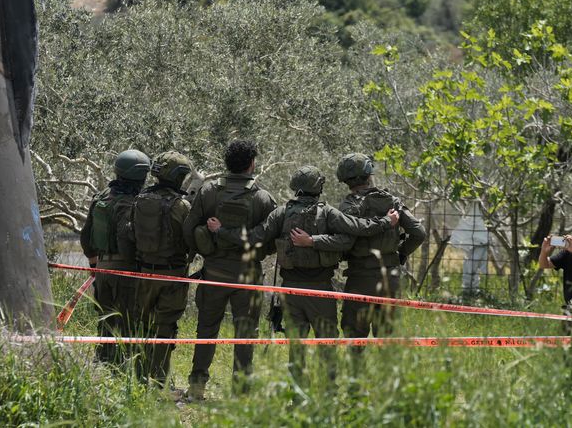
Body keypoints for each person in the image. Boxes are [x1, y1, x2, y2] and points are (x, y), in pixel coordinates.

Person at [209, 165, 399, 383]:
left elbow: (252, 237)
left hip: (291, 291)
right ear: (318, 187)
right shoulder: (327, 212)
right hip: (321, 292)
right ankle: (328, 397)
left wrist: (221, 231)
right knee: (327, 346)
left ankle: (297, 399)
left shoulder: (281, 213)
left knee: (296, 349)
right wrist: (387, 222)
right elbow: (357, 229)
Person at [183, 140, 276, 400]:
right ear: (251, 164)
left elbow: (189, 229)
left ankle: (196, 389)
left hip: (213, 273)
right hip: (249, 274)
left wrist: (207, 251)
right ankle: (242, 395)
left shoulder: (208, 191)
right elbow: (270, 239)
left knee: (206, 330)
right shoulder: (263, 197)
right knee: (246, 333)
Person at [333, 153, 425, 356]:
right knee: (388, 339)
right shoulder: (392, 202)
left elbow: (342, 241)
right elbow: (418, 233)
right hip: (389, 278)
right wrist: (401, 253)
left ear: (345, 179)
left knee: (354, 339)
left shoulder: (348, 206)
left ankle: (356, 384)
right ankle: (386, 385)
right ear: (368, 174)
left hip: (359, 278)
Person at [79, 149, 151, 365]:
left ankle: (102, 364)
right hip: (126, 272)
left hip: (102, 269)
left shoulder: (101, 197)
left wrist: (95, 264)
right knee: (128, 323)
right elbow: (127, 241)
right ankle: (125, 370)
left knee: (105, 321)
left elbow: (85, 237)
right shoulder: (134, 203)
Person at [131, 151, 193, 387]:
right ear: (178, 177)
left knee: (142, 326)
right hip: (173, 276)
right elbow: (189, 240)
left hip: (144, 271)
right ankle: (158, 381)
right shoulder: (181, 205)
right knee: (165, 328)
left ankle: (138, 378)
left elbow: (130, 232)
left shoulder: (141, 199)